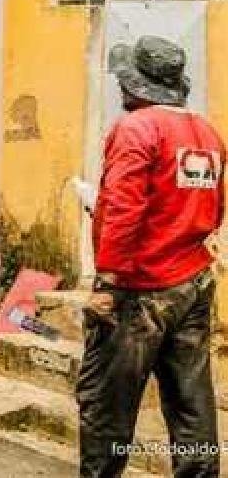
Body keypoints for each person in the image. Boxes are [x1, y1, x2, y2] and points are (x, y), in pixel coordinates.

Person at [77, 36, 223, 478]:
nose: (121, 86)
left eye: (125, 79)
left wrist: (106, 284)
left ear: (136, 85)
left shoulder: (137, 129)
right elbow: (214, 207)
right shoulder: (207, 133)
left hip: (140, 291)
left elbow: (124, 208)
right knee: (191, 403)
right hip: (193, 284)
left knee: (106, 404)